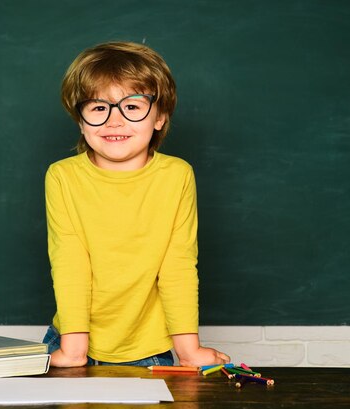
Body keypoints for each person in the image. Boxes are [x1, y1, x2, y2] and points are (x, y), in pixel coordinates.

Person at [43, 41, 230, 367]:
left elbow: (178, 266)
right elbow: (69, 263)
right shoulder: (62, 177)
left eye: (132, 106)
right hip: (73, 341)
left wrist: (189, 350)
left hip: (149, 352)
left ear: (159, 116)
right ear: (81, 121)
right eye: (99, 108)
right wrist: (74, 350)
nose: (114, 121)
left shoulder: (176, 176)